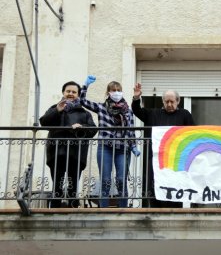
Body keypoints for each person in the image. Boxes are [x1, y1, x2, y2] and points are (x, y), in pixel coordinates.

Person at [131, 83, 194, 208]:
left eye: (172, 101)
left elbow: (192, 134)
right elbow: (137, 111)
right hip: (155, 160)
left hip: (175, 161)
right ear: (163, 102)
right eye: (167, 102)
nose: (169, 104)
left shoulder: (185, 114)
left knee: (175, 189)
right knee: (155, 187)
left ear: (178, 101)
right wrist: (137, 98)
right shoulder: (153, 114)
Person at [80, 75, 140, 208]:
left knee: (121, 180)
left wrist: (133, 146)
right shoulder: (101, 107)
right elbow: (82, 101)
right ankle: (103, 209)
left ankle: (123, 209)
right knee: (105, 180)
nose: (117, 92)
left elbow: (131, 129)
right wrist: (85, 86)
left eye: (119, 90)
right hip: (105, 147)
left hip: (122, 148)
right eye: (113, 90)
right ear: (108, 93)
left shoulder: (128, 111)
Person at [40, 81, 97, 208]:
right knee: (57, 185)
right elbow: (44, 123)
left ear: (78, 95)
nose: (71, 94)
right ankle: (54, 209)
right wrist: (57, 111)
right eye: (68, 91)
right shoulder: (55, 108)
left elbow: (93, 130)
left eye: (74, 92)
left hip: (76, 153)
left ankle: (73, 209)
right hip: (57, 152)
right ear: (63, 93)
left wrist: (82, 127)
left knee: (73, 185)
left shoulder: (84, 113)